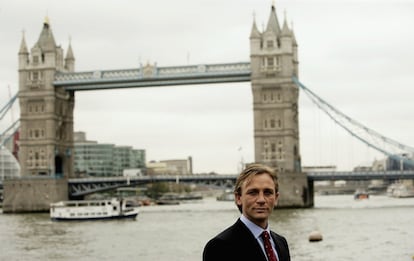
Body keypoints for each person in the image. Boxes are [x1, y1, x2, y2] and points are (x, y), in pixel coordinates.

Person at [203, 163, 290, 261]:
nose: (261, 200)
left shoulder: (281, 243)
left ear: (276, 198)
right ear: (238, 198)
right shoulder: (219, 247)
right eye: (253, 193)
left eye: (267, 192)